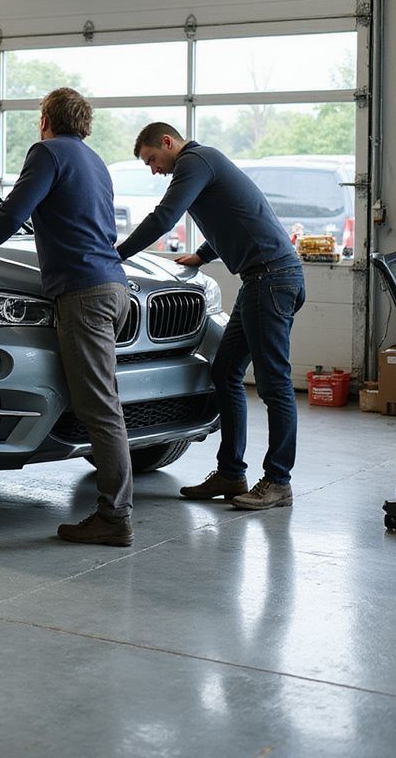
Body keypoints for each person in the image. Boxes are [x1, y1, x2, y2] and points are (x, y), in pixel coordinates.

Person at [0, 88, 133, 546]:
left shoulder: (47, 153)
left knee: (101, 409)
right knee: (102, 402)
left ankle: (114, 516)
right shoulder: (93, 160)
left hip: (83, 294)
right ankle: (113, 509)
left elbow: (13, 211)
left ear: (46, 118)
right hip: (114, 287)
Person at [117, 123, 306, 511]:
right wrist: (202, 255)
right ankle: (230, 473)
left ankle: (278, 481)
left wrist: (115, 254)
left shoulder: (194, 161)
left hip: (270, 279)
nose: (154, 170)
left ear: (168, 143)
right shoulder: (209, 162)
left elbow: (164, 218)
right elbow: (234, 214)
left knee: (274, 385)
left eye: (152, 159)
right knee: (226, 372)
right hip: (264, 279)